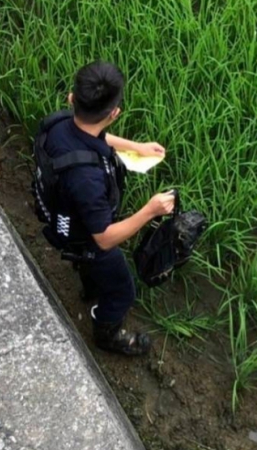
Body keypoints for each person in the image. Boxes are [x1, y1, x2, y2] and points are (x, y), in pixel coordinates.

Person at [42, 61, 175, 356]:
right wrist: (151, 210)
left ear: (71, 98)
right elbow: (103, 238)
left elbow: (93, 134)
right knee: (122, 291)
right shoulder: (87, 179)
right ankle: (107, 334)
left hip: (63, 217)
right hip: (88, 238)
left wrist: (136, 146)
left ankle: (89, 286)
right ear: (114, 113)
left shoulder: (58, 123)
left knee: (89, 266)